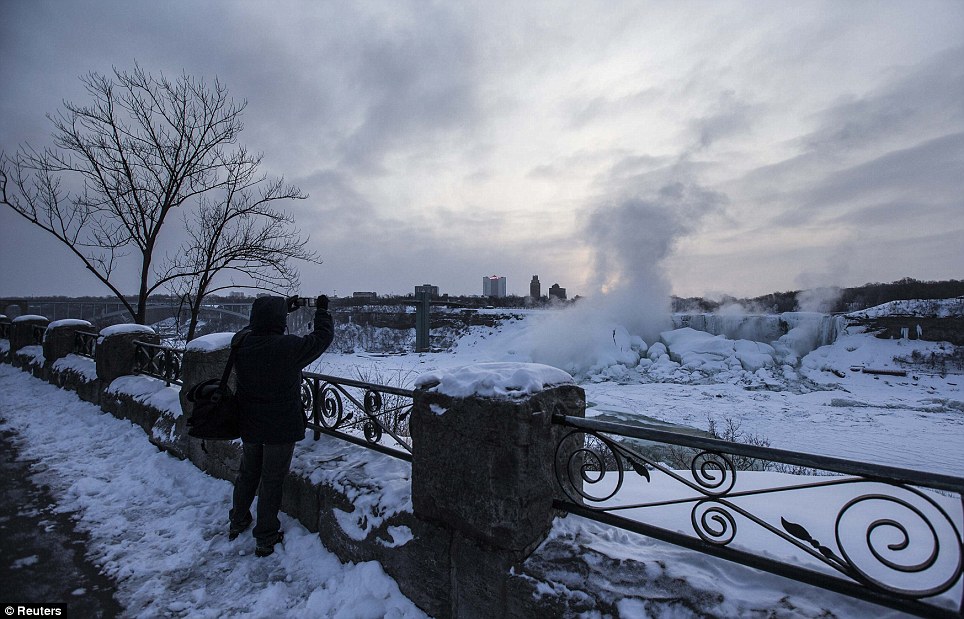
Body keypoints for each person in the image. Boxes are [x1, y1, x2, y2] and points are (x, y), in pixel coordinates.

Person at [228, 294, 334, 557]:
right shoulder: (288, 347)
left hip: (250, 421)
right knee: (272, 479)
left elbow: (252, 327)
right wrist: (322, 312)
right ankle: (265, 537)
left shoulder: (241, 342)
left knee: (248, 473)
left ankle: (238, 520)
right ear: (278, 321)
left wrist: (280, 309)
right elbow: (322, 338)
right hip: (280, 425)